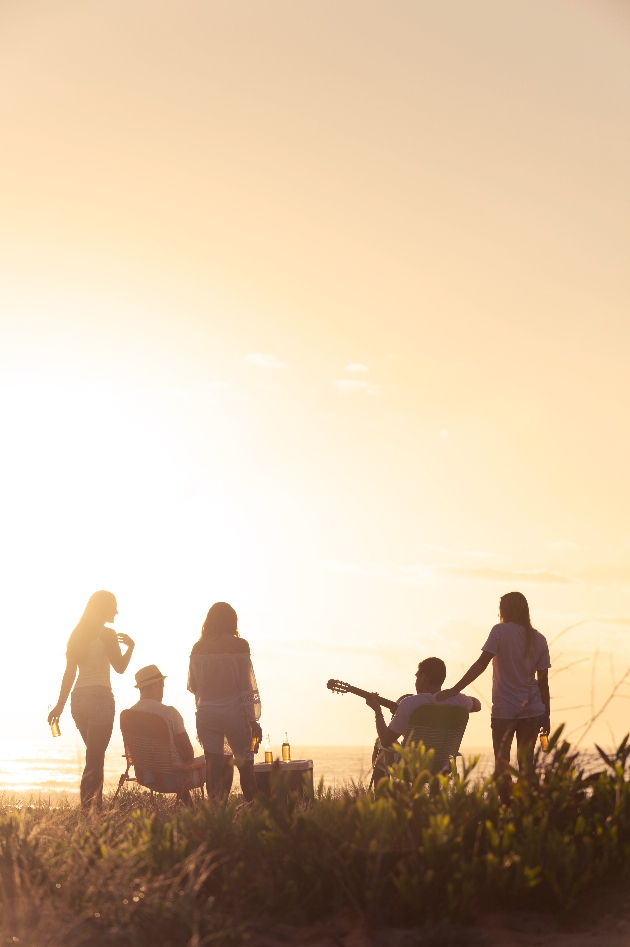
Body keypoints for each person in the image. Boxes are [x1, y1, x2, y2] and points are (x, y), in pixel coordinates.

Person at [436, 591, 551, 799]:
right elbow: (543, 683)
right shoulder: (539, 639)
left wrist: (455, 690)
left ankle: (505, 806)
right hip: (534, 710)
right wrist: (547, 716)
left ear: (505, 610)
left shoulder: (500, 631)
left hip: (505, 709)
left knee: (502, 763)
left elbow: (481, 664)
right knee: (526, 766)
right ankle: (526, 809)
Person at [48, 590, 135, 811]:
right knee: (94, 760)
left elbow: (69, 673)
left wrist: (60, 705)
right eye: (113, 605)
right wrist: (131, 647)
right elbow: (121, 668)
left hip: (78, 701)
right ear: (103, 607)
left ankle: (96, 810)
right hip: (100, 699)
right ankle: (88, 813)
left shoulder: (77, 634)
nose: (116, 610)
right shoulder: (106, 634)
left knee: (95, 757)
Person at [188, 602, 262, 802]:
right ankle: (254, 813)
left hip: (207, 715)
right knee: (245, 767)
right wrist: (253, 720)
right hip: (235, 714)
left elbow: (193, 685)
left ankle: (216, 817)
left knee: (215, 767)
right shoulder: (240, 645)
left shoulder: (198, 647)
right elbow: (247, 686)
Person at [365, 656, 481, 751]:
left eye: (417, 676)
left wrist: (377, 711)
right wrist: (454, 693)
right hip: (441, 768)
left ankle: (381, 781)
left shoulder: (409, 703)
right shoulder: (458, 701)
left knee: (379, 742)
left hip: (410, 768)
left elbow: (386, 741)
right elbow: (478, 705)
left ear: (424, 678)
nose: (416, 681)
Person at [128, 664, 205, 806]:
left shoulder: (129, 715)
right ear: (157, 684)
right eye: (162, 686)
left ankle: (191, 808)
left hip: (146, 778)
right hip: (173, 779)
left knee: (171, 764)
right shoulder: (169, 713)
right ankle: (217, 813)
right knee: (221, 760)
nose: (162, 691)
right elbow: (188, 755)